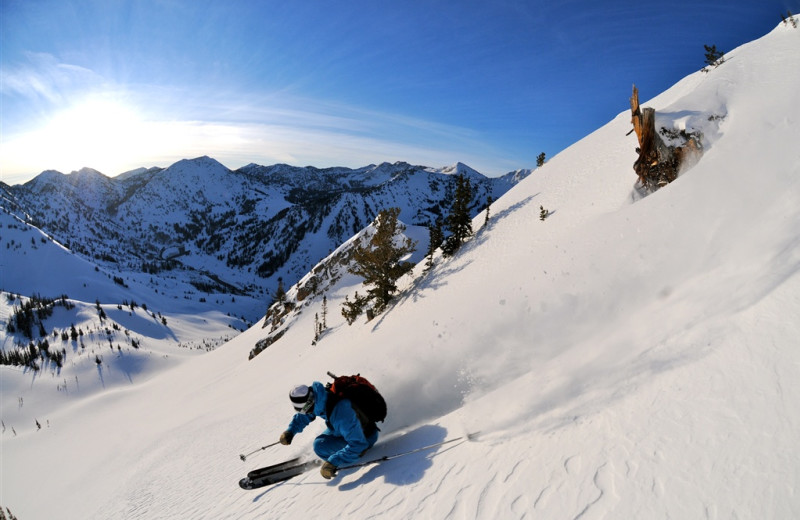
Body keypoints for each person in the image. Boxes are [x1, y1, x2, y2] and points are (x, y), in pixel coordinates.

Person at [280, 381, 379, 479]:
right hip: (348, 429)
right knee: (320, 442)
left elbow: (358, 444)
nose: (304, 413)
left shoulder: (341, 413)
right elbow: (304, 416)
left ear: (309, 403)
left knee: (319, 446)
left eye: (304, 410)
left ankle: (348, 457)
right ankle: (340, 453)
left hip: (365, 437)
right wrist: (290, 431)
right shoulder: (319, 397)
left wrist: (333, 461)